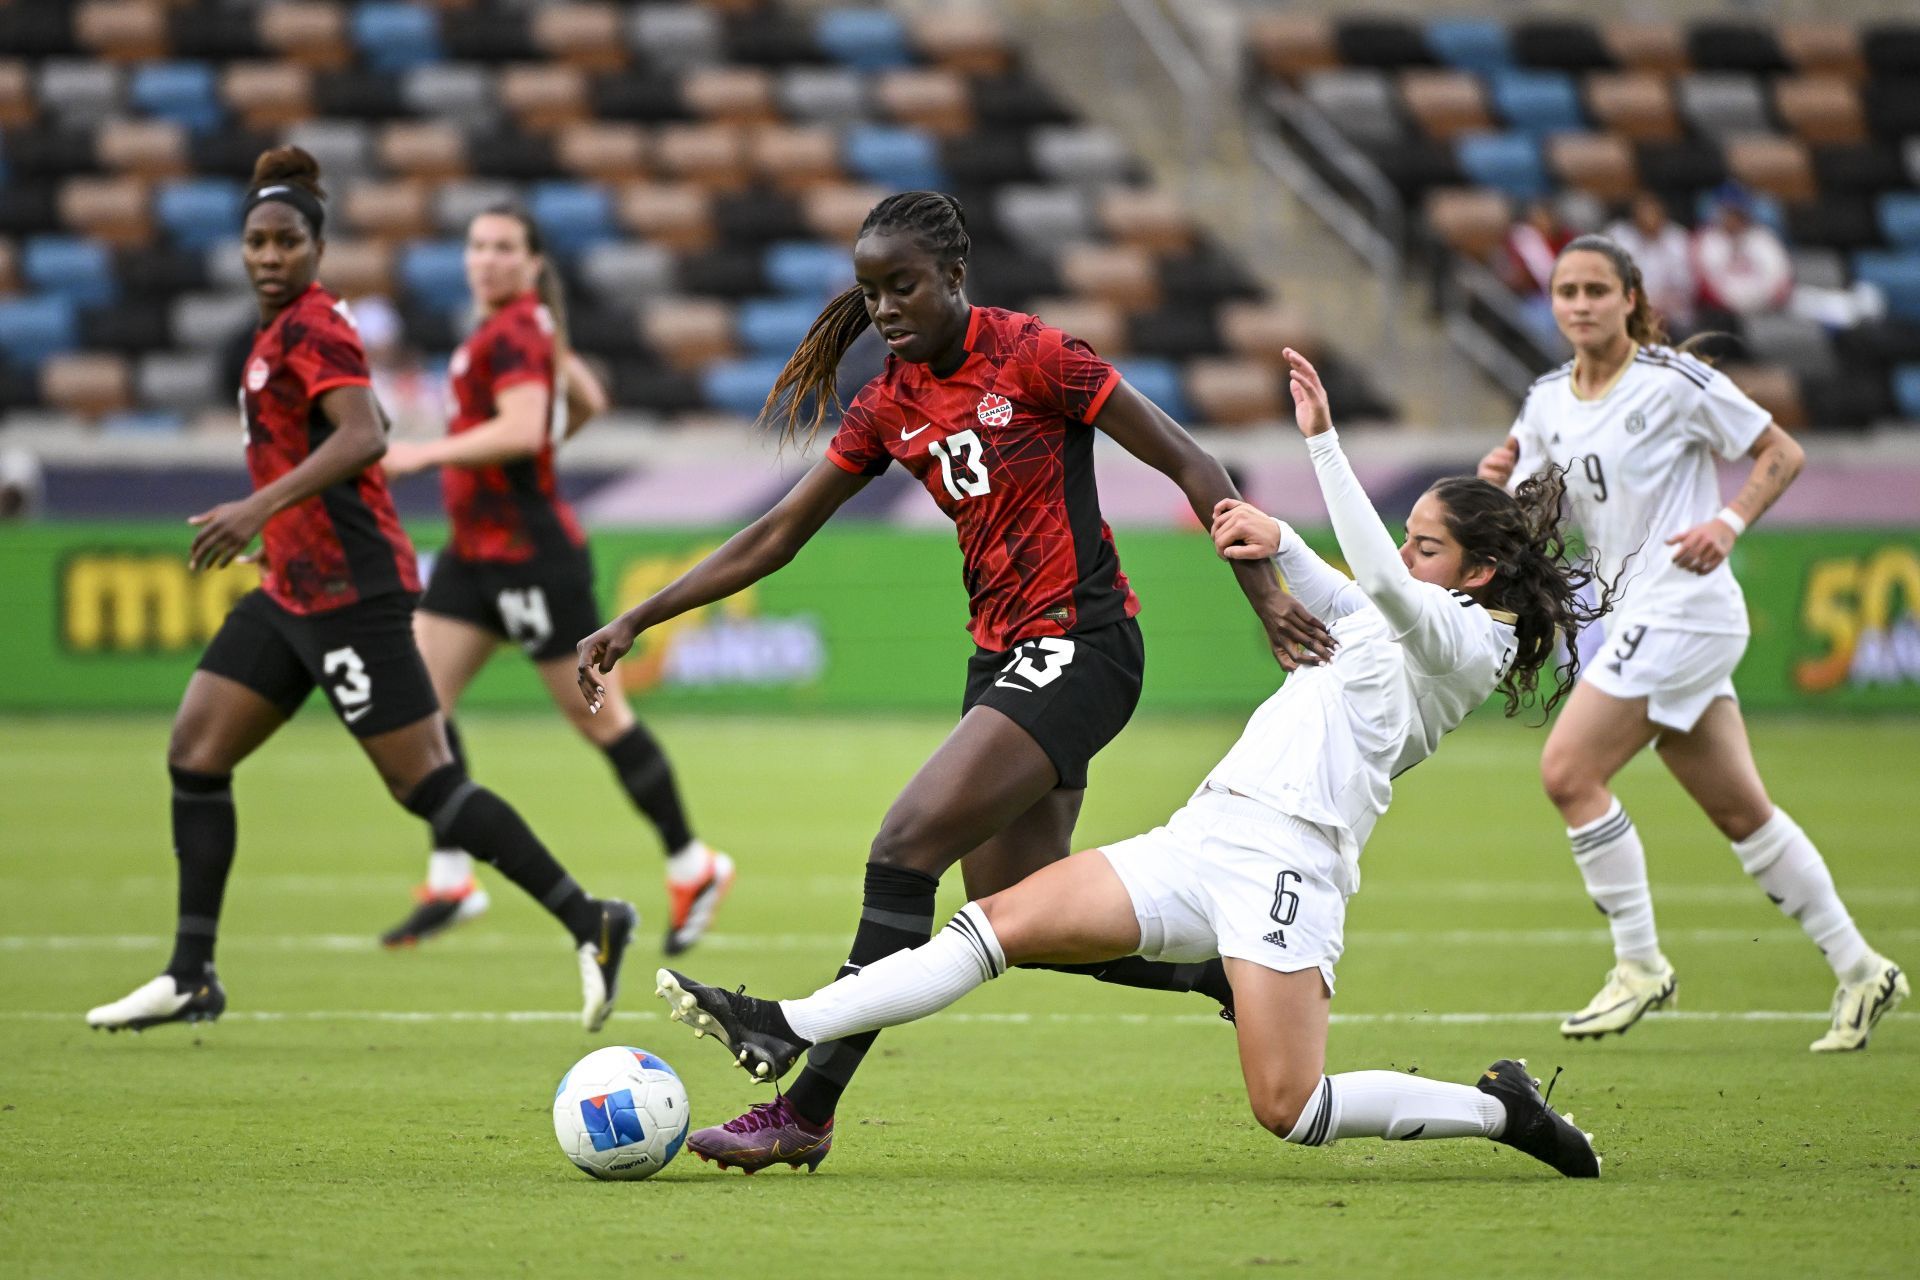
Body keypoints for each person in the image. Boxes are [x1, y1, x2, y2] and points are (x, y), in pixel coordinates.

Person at [652, 348, 1604, 1179]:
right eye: (1408, 534)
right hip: (1205, 833)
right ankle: (787, 1022)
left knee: (1292, 1110)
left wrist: (1323, 448)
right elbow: (1361, 593)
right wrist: (1284, 544)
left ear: (1476, 573)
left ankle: (1499, 1109)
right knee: (990, 926)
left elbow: (1386, 592)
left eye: (1427, 543)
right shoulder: (1409, 614)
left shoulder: (1466, 645)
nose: (1404, 550)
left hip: (1291, 863)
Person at [575, 190, 1335, 1172]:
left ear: (954, 278)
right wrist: (639, 616)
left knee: (903, 847)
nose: (886, 309)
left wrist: (1265, 592)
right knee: (1016, 909)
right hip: (1004, 658)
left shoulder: (1037, 355)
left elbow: (1193, 459)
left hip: (1084, 644)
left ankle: (803, 1101)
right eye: (871, 292)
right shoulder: (888, 403)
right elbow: (777, 534)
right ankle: (1212, 973)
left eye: (903, 286)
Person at [84, 147, 637, 1034]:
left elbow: (364, 436)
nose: (268, 255)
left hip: (352, 591)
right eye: (256, 242)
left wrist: (253, 509)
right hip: (291, 590)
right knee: (195, 752)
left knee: (425, 785)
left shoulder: (316, 329)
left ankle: (592, 920)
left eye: (285, 241)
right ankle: (191, 973)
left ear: (315, 246)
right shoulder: (271, 336)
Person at [1477, 234, 1905, 1051]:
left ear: (1631, 298)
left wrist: (1728, 521)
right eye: (1566, 290)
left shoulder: (1675, 382)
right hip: (1631, 617)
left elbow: (1780, 449)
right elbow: (1522, 513)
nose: (1579, 304)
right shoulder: (1544, 402)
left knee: (1568, 772)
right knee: (1743, 811)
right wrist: (1494, 482)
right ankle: (1862, 968)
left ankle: (1639, 965)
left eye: (1597, 289)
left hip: (1685, 605)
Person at [377, 207, 731, 954]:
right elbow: (589, 401)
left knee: (599, 720)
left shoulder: (514, 333)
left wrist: (424, 454)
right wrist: (533, 450)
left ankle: (693, 863)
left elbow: (520, 427)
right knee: (419, 702)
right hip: (477, 554)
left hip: (532, 557)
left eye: (505, 247)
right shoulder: (522, 328)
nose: (487, 259)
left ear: (533, 262)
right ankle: (451, 877)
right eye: (477, 245)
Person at [1692, 184, 1792, 320]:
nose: (1733, 219)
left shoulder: (1763, 237)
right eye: (1728, 213)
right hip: (1722, 313)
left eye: (1737, 213)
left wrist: (1760, 301)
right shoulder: (1707, 240)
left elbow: (1780, 276)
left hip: (1766, 309)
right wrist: (1735, 304)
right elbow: (1707, 284)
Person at [1606, 192, 1696, 336]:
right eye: (1644, 213)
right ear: (1634, 217)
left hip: (1671, 310)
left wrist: (1665, 304)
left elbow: (1685, 282)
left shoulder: (1677, 237)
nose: (1649, 219)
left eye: (1654, 213)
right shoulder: (1620, 237)